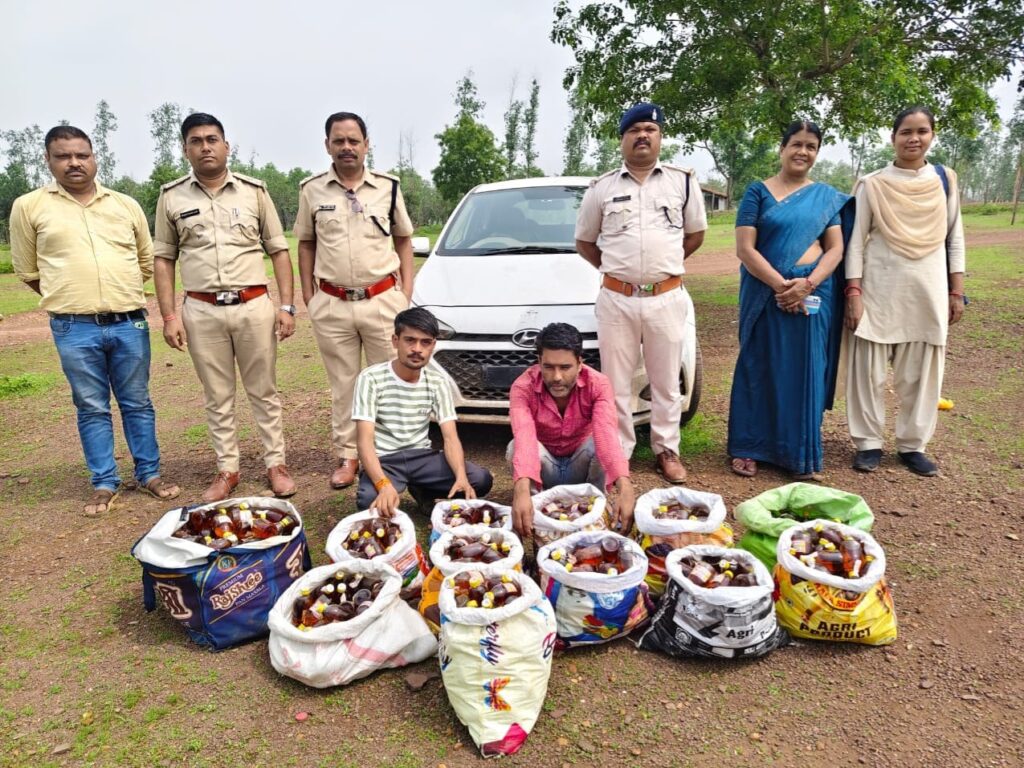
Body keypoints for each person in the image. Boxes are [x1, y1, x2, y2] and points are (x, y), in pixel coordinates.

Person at [10, 125, 180, 515]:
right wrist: (72, 298)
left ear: (94, 157)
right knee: (91, 406)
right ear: (48, 160)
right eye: (63, 156)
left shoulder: (124, 205)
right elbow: (27, 269)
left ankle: (149, 474)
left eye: (82, 155)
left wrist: (116, 295)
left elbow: (145, 261)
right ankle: (104, 482)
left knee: (138, 402)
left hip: (129, 323)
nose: (74, 163)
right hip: (74, 326)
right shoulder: (29, 206)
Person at [153, 113, 297, 502]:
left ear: (226, 146)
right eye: (196, 141)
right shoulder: (171, 197)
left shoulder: (254, 192)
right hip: (201, 311)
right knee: (217, 395)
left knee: (264, 390)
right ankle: (227, 470)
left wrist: (287, 306)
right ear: (185, 150)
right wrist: (169, 316)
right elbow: (164, 259)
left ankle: (276, 465)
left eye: (212, 139)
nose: (205, 147)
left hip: (253, 306)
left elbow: (279, 250)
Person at [575, 102, 707, 483]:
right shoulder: (602, 188)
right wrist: (620, 273)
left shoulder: (682, 182)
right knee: (615, 383)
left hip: (666, 298)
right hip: (617, 300)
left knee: (666, 381)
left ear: (660, 136)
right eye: (634, 131)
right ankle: (619, 454)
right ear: (622, 139)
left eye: (650, 129)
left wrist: (661, 270)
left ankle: (667, 449)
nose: (643, 136)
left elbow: (695, 235)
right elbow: (585, 242)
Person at [296, 111, 415, 491]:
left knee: (389, 381)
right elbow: (305, 243)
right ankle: (348, 456)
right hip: (333, 303)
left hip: (383, 300)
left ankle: (389, 454)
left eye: (353, 140)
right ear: (327, 145)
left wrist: (405, 293)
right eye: (339, 141)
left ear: (366, 144)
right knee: (343, 385)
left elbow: (403, 239)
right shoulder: (312, 190)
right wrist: (309, 296)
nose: (346, 147)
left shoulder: (388, 187)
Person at [727, 120, 853, 480]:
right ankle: (749, 446)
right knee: (759, 365)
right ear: (782, 148)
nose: (803, 152)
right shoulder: (758, 192)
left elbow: (836, 249)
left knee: (805, 369)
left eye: (811, 146)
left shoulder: (825, 197)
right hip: (766, 293)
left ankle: (798, 453)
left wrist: (808, 284)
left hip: (814, 295)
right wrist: (783, 287)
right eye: (796, 144)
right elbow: (745, 248)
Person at [845, 106, 966, 477]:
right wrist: (854, 292)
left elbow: (954, 237)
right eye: (906, 132)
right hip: (879, 290)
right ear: (893, 137)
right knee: (868, 373)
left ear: (932, 135)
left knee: (920, 374)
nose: (914, 138)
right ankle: (868, 444)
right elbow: (855, 242)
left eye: (922, 131)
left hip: (928, 290)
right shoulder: (873, 184)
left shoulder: (945, 180)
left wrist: (956, 291)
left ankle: (913, 446)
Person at [352, 307, 493, 514]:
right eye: (410, 340)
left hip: (422, 457)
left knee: (480, 480)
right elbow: (364, 441)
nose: (417, 349)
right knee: (369, 502)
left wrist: (461, 476)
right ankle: (391, 486)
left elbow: (450, 437)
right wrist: (383, 484)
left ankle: (424, 490)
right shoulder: (371, 378)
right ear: (395, 341)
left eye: (425, 342)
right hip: (386, 459)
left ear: (433, 345)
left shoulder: (438, 381)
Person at [507, 323, 635, 537]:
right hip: (544, 472)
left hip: (581, 468)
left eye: (565, 367)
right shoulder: (522, 387)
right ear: (539, 362)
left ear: (579, 363)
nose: (557, 377)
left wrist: (625, 485)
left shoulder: (598, 384)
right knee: (514, 447)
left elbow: (606, 435)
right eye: (549, 367)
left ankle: (596, 503)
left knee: (610, 442)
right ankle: (534, 507)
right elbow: (524, 436)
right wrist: (519, 491)